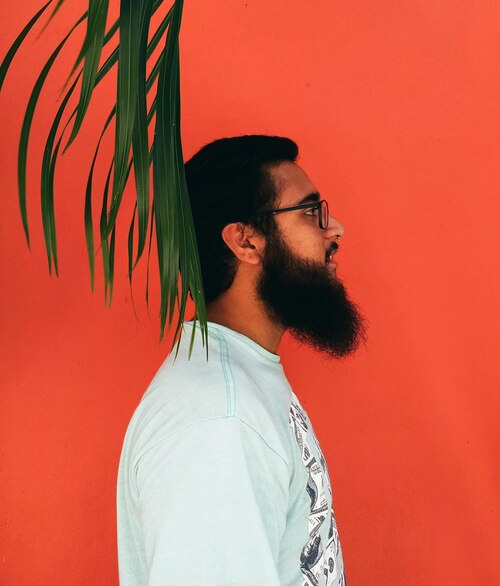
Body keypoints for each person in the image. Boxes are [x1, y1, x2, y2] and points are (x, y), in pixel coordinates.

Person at [117, 135, 366, 585]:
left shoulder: (241, 384)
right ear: (246, 241)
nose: (336, 229)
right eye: (312, 212)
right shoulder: (219, 420)